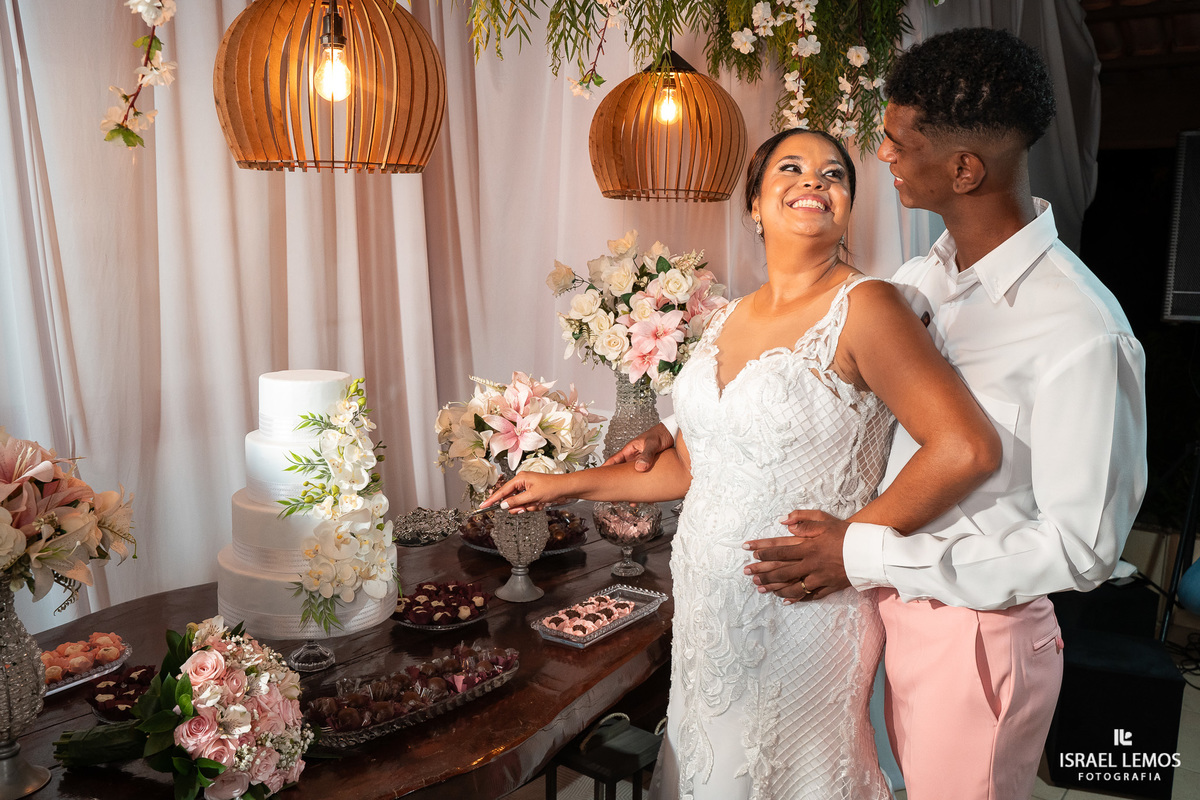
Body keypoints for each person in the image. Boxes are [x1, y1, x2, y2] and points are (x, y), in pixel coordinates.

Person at [614, 28, 1148, 800]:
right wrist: (701, 425)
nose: (883, 159)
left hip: (973, 636)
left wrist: (864, 553)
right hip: (868, 614)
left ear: (964, 168)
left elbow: (1082, 551)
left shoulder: (1082, 331)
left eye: (897, 144)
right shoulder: (921, 279)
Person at [483, 129, 1001, 799]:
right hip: (704, 610)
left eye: (834, 174)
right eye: (791, 167)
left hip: (803, 607)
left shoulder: (868, 306)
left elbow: (966, 447)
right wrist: (563, 486)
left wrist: (852, 544)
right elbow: (695, 469)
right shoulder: (724, 321)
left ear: (846, 207)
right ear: (755, 204)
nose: (814, 181)